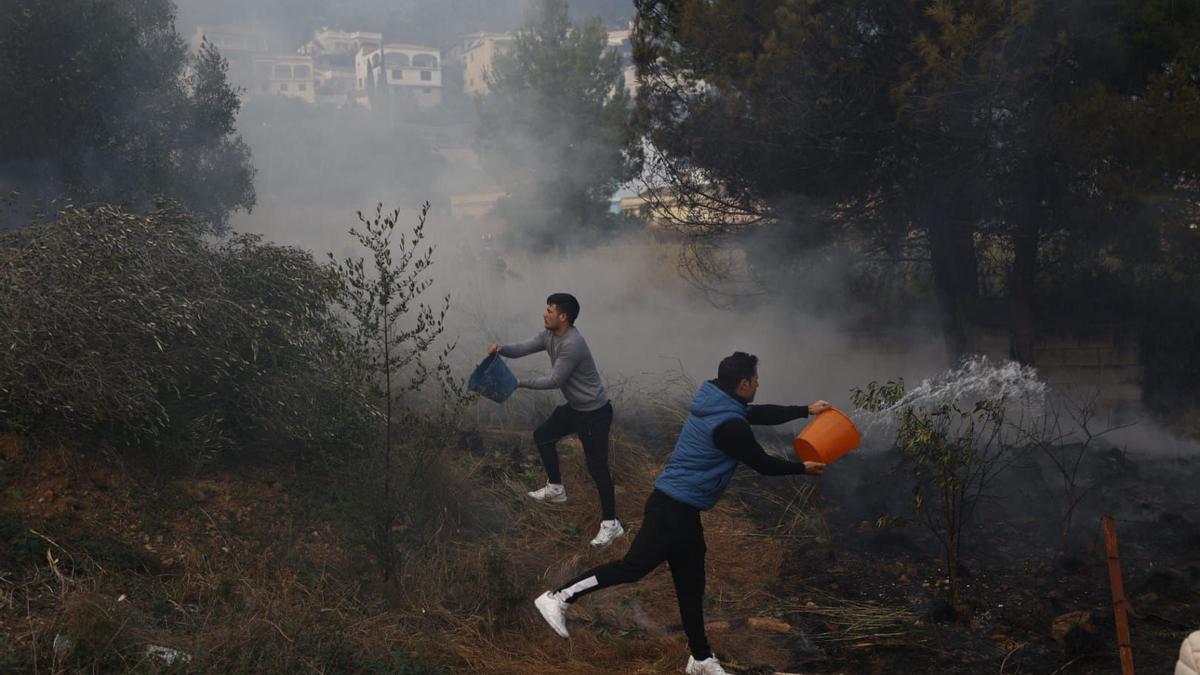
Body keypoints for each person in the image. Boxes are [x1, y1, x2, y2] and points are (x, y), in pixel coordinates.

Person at [532, 351, 830, 675]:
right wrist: (803, 468)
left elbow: (756, 413)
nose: (759, 383)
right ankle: (557, 597)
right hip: (670, 509)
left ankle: (700, 659)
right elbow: (763, 464)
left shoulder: (717, 400)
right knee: (632, 568)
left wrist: (806, 411)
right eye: (756, 379)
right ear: (743, 383)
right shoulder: (729, 425)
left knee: (690, 586)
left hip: (684, 512)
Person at [488, 293, 622, 547]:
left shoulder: (573, 344)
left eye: (549, 310)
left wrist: (518, 383)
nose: (544, 314)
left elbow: (555, 380)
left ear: (564, 317)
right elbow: (521, 348)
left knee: (597, 469)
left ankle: (611, 524)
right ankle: (556, 489)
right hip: (576, 408)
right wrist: (501, 349)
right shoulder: (549, 335)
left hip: (594, 414)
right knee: (543, 435)